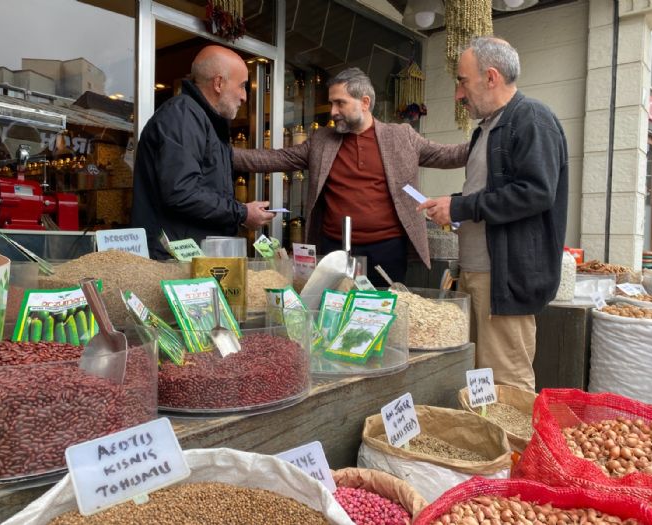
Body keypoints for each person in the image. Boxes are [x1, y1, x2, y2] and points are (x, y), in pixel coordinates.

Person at [418, 36, 568, 391]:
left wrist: (462, 206)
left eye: (462, 80)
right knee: (479, 383)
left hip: (503, 279)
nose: (458, 93)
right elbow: (488, 196)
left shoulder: (531, 118)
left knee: (506, 387)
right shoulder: (486, 128)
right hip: (477, 274)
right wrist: (451, 206)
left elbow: (536, 192)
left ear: (491, 77)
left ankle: (517, 449)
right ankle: (491, 447)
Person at [232, 67, 469, 287]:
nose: (333, 111)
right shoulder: (322, 140)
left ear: (365, 102)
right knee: (334, 315)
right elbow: (273, 159)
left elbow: (448, 155)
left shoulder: (401, 136)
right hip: (334, 250)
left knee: (379, 315)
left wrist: (486, 139)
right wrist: (219, 152)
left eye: (340, 103)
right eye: (332, 103)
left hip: (387, 251)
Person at [131, 45, 274, 259]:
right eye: (242, 86)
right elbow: (182, 192)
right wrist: (242, 213)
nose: (244, 97)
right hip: (171, 263)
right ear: (218, 83)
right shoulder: (183, 116)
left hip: (189, 259)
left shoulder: (203, 120)